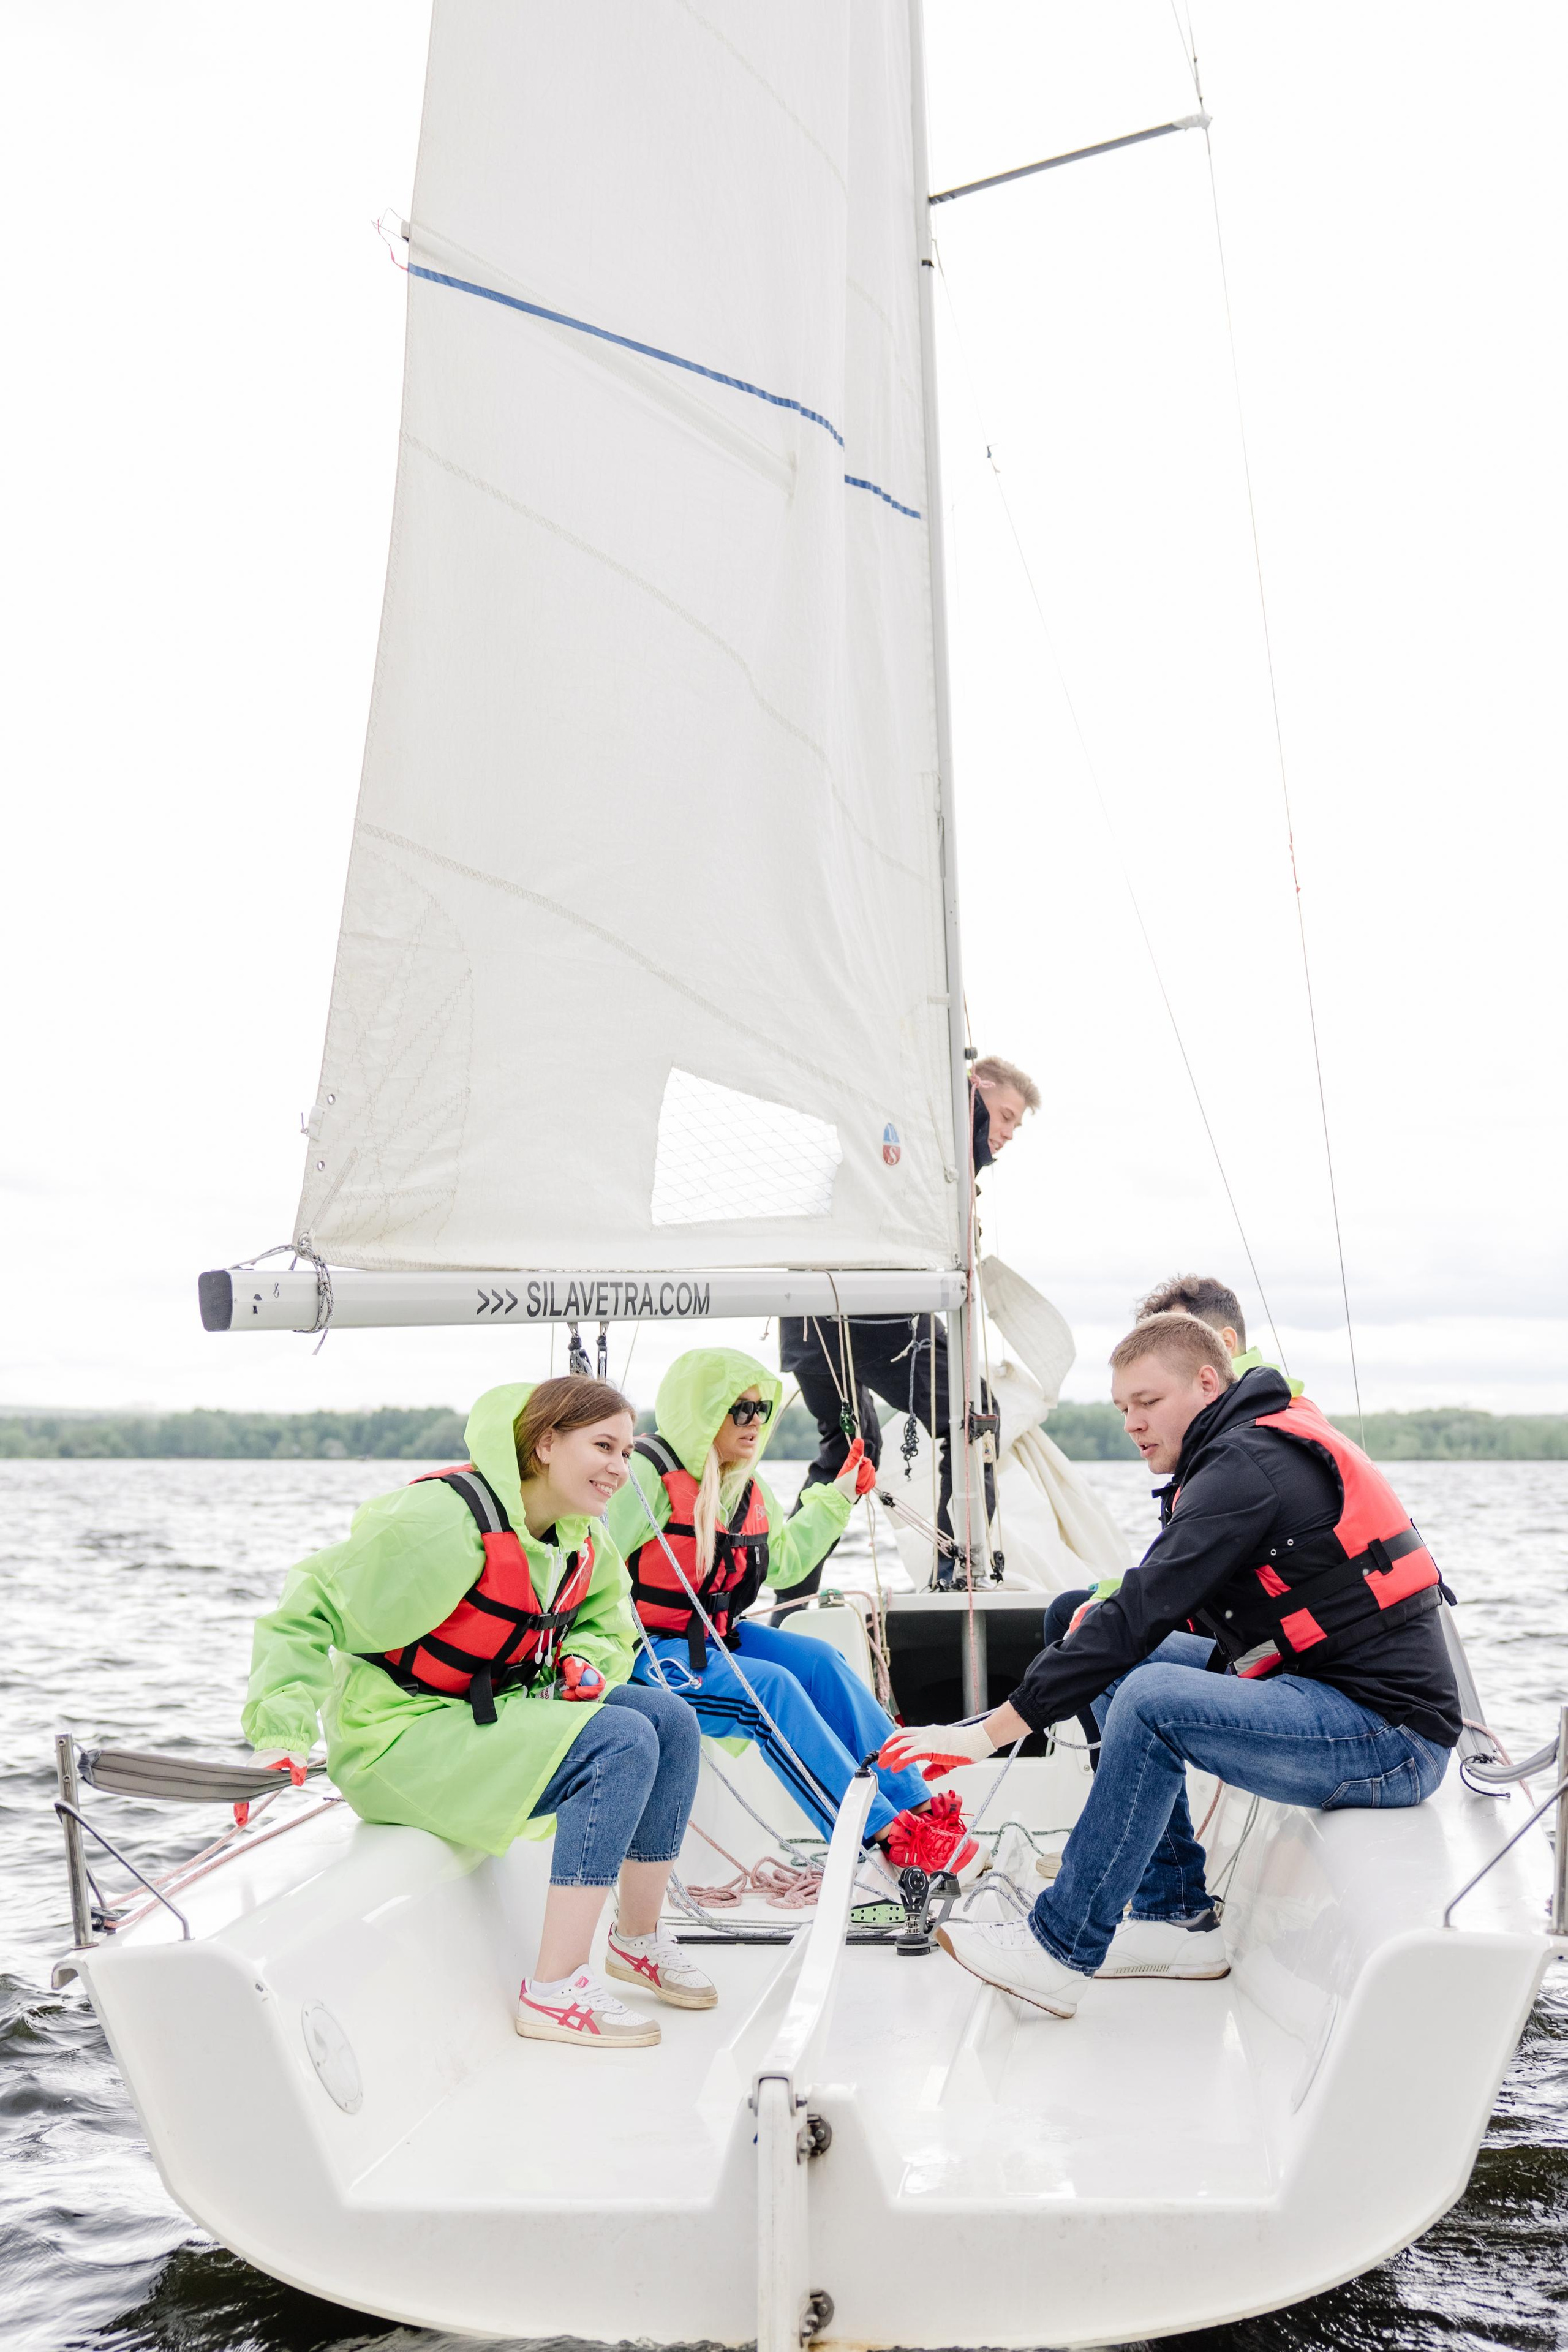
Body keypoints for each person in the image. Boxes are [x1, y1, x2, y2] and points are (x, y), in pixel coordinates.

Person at [881, 1313, 1460, 2019]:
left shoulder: (1248, 1469)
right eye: (1123, 1407)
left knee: (1151, 1697)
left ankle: (1059, 1950)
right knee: (1081, 1619)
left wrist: (986, 1734)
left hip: (1388, 1739)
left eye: (1148, 1403)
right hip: (1314, 1689)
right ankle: (1174, 1913)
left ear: (1207, 1383)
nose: (1132, 1423)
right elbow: (1144, 1614)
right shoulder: (1236, 1454)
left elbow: (1145, 1609)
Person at [243, 1375, 714, 2051]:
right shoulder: (440, 1520)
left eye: (626, 1450)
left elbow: (604, 1626)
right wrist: (281, 1732)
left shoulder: (580, 1536)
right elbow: (306, 1609)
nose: (619, 1467)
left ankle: (636, 1939)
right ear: (546, 1443)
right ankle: (555, 1990)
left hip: (490, 1720)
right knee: (620, 1739)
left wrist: (583, 1661)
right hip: (397, 1741)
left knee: (668, 1719)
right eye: (603, 1446)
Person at [605, 1348, 977, 1874]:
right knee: (772, 1689)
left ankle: (917, 1805)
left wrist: (839, 1495)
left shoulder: (744, 1485)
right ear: (704, 1412)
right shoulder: (644, 1478)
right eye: (740, 1410)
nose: (755, 1423)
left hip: (712, 1639)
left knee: (821, 1661)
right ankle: (878, 1835)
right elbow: (591, 1566)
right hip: (642, 1655)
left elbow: (784, 1563)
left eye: (762, 1411)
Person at [780, 1054, 1041, 1585]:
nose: (1010, 1133)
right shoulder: (927, 1147)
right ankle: (956, 1573)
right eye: (1006, 1115)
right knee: (975, 1414)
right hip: (875, 1324)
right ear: (974, 1089)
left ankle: (791, 1585)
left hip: (808, 1322)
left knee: (851, 1452)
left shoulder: (925, 1151)